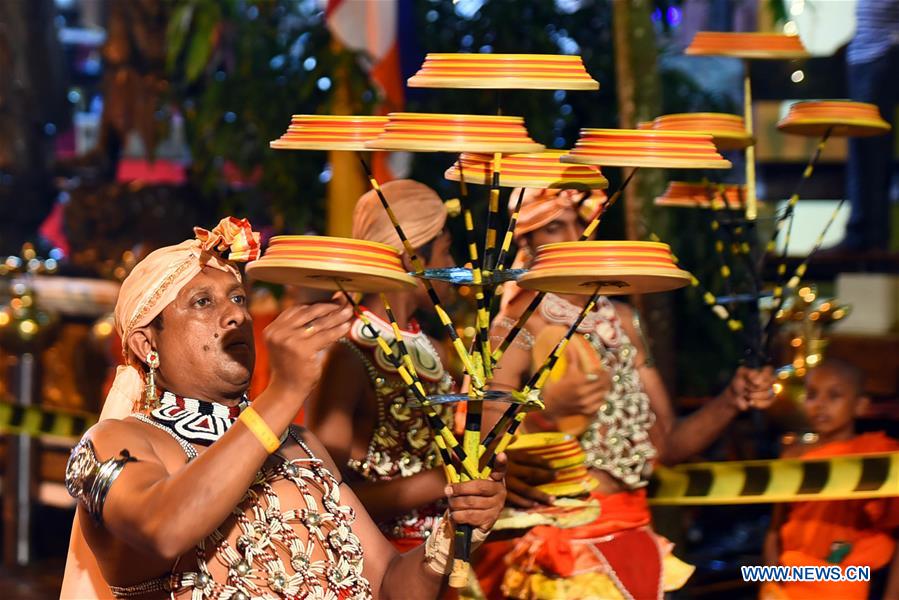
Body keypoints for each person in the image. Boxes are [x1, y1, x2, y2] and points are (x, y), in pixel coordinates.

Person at [61, 216, 506, 599]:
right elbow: (165, 528)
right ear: (146, 343)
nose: (236, 314)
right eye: (203, 302)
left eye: (238, 297)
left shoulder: (301, 446)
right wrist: (285, 391)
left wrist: (452, 533)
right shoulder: (115, 441)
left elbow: (390, 584)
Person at [468, 188, 776, 600]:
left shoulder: (624, 320)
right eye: (556, 227)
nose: (577, 235)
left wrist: (732, 399)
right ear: (527, 241)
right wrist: (549, 411)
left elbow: (666, 445)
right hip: (560, 541)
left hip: (632, 527)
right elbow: (480, 442)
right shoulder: (515, 326)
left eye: (584, 221)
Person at [307, 180, 458, 552]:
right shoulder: (349, 354)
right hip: (384, 559)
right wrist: (444, 480)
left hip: (439, 553)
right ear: (413, 259)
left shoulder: (434, 347)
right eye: (446, 252)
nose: (453, 267)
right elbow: (323, 492)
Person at [762, 359, 899, 600]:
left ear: (860, 405)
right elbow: (775, 529)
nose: (820, 405)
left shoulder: (876, 455)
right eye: (812, 395)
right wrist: (771, 585)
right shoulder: (793, 456)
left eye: (834, 396)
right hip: (796, 578)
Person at [842, 0, 899, 252]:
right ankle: (864, 231)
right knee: (863, 151)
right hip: (866, 55)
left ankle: (867, 233)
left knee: (870, 151)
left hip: (880, 54)